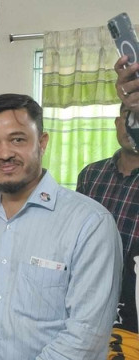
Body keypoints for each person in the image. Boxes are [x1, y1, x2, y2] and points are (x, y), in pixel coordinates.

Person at [0, 93, 123, 359]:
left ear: (42, 142)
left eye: (17, 139)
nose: (5, 154)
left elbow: (86, 334)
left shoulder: (89, 223)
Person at [77, 102, 139, 358]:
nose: (131, 124)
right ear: (117, 122)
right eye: (128, 116)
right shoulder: (91, 174)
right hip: (89, 291)